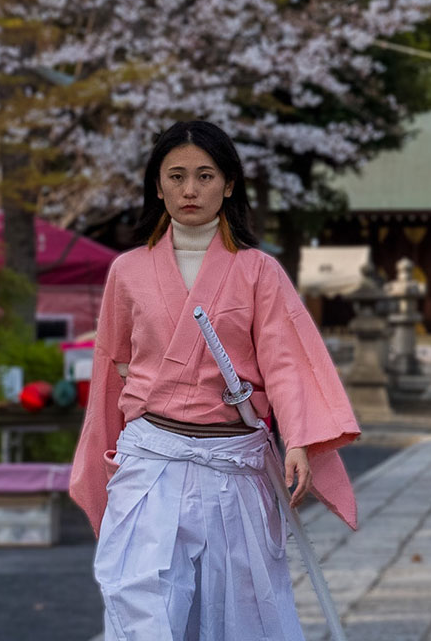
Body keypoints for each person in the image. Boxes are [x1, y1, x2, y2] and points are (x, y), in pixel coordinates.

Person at [69, 120, 361, 641]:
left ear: (229, 184)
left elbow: (286, 362)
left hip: (234, 464)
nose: (189, 189)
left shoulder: (258, 271)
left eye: (205, 176)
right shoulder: (128, 272)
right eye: (176, 176)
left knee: (243, 613)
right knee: (139, 599)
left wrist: (297, 440)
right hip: (150, 460)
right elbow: (112, 368)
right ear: (156, 186)